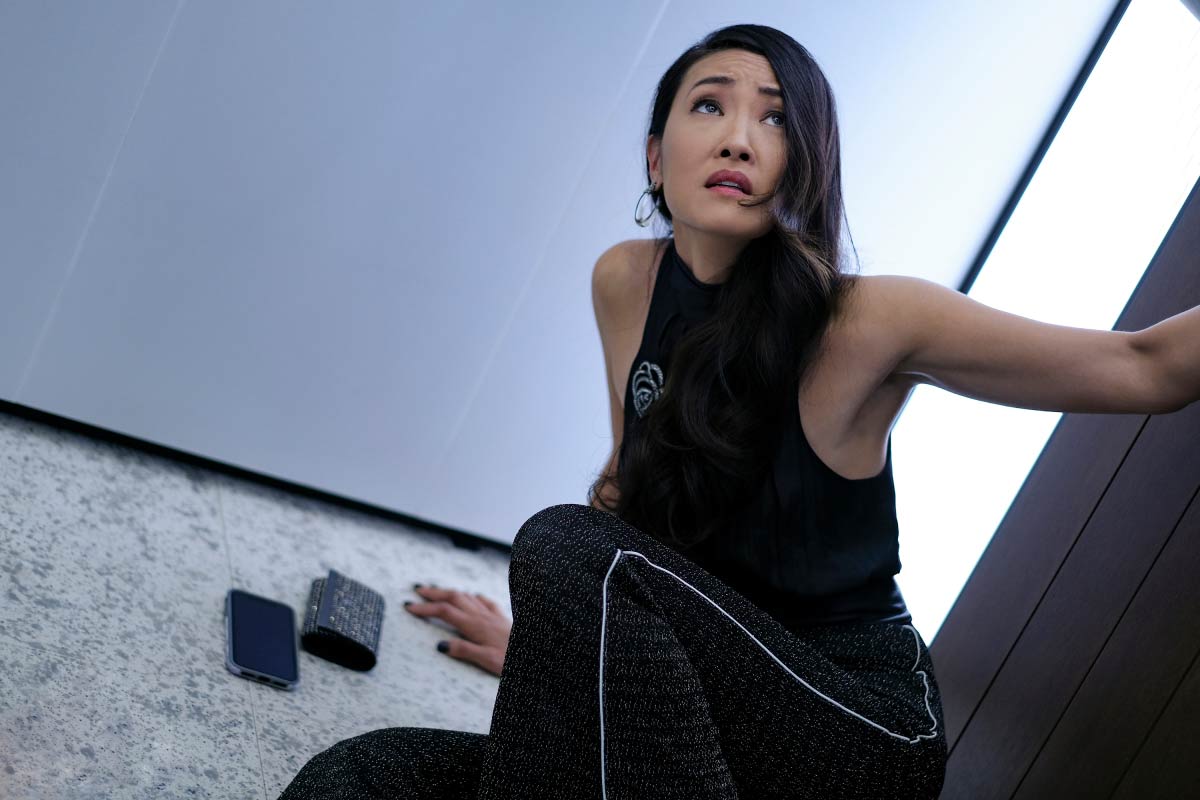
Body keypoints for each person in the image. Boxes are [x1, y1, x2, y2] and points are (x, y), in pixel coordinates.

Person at [278, 23, 1199, 800]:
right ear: (656, 155)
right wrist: (563, 646)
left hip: (851, 726)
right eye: (710, 106)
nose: (739, 140)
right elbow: (633, 506)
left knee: (565, 546)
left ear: (807, 164)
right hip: (701, 704)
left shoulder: (868, 322)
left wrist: (581, 603)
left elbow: (1147, 367)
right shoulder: (626, 281)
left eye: (776, 118)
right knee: (359, 777)